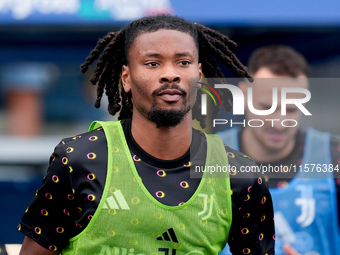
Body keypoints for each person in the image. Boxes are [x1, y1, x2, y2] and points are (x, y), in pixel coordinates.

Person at [17, 15, 275, 255]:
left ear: (198, 76)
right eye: (153, 63)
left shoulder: (240, 176)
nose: (170, 74)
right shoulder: (79, 159)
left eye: (183, 63)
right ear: (126, 78)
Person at [217, 44, 340, 255]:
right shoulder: (207, 157)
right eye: (267, 107)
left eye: (291, 109)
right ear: (244, 94)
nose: (279, 123)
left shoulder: (334, 158)